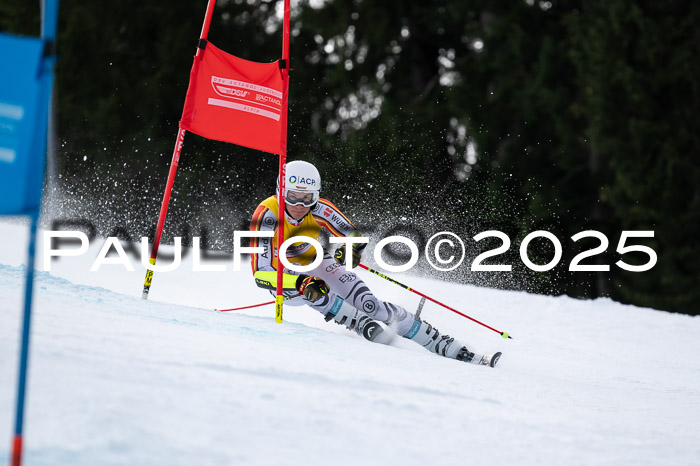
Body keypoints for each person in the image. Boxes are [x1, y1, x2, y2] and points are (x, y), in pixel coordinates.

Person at [249, 160, 501, 367]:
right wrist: (300, 281)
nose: (300, 206)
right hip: (283, 280)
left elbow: (353, 236)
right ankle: (355, 321)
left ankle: (441, 342)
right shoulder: (267, 215)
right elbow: (261, 274)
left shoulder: (319, 209)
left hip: (313, 262)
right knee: (316, 290)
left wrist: (350, 250)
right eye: (293, 197)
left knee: (369, 304)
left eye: (307, 198)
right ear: (281, 190)